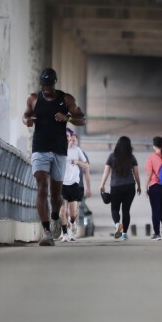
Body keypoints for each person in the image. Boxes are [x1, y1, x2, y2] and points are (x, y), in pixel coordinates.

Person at [23, 68, 86, 246]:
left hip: (59, 151)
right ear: (40, 85)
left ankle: (54, 216)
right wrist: (26, 121)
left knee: (56, 196)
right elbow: (25, 115)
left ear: (55, 83)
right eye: (44, 86)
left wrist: (67, 118)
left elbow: (82, 119)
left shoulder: (66, 99)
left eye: (49, 86)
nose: (47, 89)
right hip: (40, 148)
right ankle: (47, 231)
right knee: (42, 186)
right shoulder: (34, 99)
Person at [99, 136, 142, 241]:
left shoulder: (111, 156)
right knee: (126, 210)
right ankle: (124, 234)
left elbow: (106, 172)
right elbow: (136, 174)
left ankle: (118, 224)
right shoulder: (131, 157)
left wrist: (102, 184)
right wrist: (139, 186)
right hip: (130, 187)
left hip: (116, 187)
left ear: (117, 145)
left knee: (114, 209)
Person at [60, 129, 91, 241]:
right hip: (62, 184)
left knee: (73, 213)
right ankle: (64, 234)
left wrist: (77, 162)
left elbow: (86, 166)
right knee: (63, 210)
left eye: (69, 137)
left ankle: (72, 222)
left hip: (74, 184)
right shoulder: (59, 150)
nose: (68, 139)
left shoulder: (76, 150)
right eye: (66, 136)